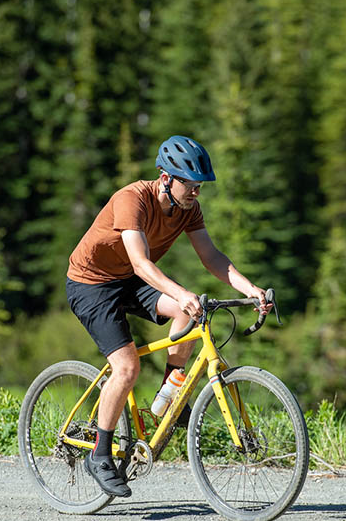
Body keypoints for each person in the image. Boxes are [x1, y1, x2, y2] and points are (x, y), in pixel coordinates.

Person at [65, 135, 271, 498]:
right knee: (127, 368)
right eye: (189, 185)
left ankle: (170, 397)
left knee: (190, 314)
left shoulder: (188, 208)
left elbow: (212, 257)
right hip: (91, 284)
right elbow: (141, 263)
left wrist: (249, 289)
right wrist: (181, 292)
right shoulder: (132, 200)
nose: (196, 193)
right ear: (165, 178)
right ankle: (99, 455)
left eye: (199, 186)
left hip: (128, 279)